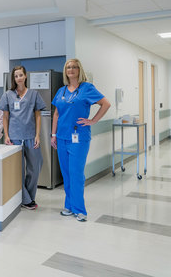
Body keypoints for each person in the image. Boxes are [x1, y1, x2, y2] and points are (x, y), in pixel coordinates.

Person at [51, 58, 110, 222]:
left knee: (76, 173)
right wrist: (53, 135)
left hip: (79, 137)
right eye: (68, 67)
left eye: (74, 67)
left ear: (79, 70)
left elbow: (105, 104)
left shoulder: (87, 88)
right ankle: (69, 206)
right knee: (66, 174)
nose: (71, 69)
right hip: (61, 137)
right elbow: (56, 114)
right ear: (65, 71)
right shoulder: (61, 91)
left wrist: (93, 120)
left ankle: (79, 209)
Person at [0, 66, 46, 210]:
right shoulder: (8, 94)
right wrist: (6, 135)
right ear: (13, 78)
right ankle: (25, 200)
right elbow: (5, 117)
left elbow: (38, 115)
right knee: (16, 169)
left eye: (20, 75)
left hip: (31, 136)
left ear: (25, 76)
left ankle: (28, 196)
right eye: (16, 76)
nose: (18, 78)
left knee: (36, 166)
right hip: (14, 138)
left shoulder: (34, 94)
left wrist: (38, 135)